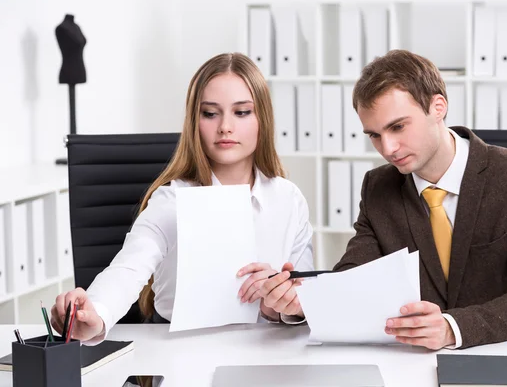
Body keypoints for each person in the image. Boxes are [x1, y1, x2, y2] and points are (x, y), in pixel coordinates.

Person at [260, 49, 507, 350]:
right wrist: (303, 302)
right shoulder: (378, 186)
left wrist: (451, 327)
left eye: (398, 126)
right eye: (374, 135)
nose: (388, 148)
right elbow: (353, 275)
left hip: (500, 354)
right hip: (409, 362)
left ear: (437, 107)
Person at [50, 52, 313, 343]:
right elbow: (127, 269)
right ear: (194, 121)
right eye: (210, 113)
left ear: (262, 118)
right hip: (179, 347)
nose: (225, 126)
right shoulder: (171, 200)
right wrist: (95, 315)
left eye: (241, 112)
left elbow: (307, 296)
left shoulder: (289, 200)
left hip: (264, 348)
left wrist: (282, 307)